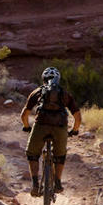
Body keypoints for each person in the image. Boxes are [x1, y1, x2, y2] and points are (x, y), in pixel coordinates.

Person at [20, 67, 81, 196]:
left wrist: (26, 127)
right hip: (60, 127)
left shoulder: (37, 92)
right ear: (58, 80)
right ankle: (57, 182)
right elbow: (78, 117)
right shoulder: (65, 94)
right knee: (60, 155)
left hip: (41, 125)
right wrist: (74, 130)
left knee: (32, 153)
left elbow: (24, 115)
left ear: (43, 79)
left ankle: (35, 184)